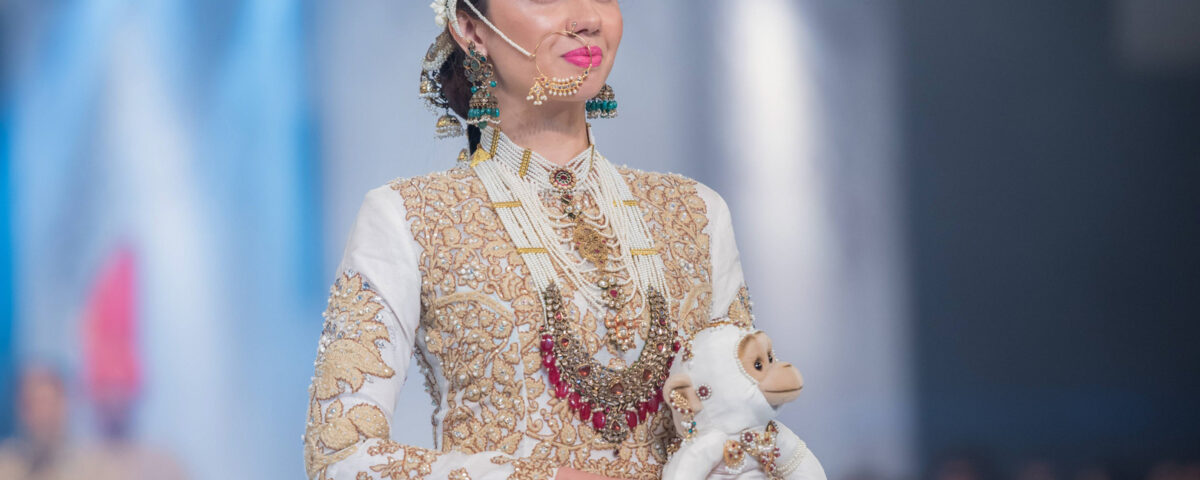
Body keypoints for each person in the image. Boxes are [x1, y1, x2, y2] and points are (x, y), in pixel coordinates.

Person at [302, 1, 767, 478]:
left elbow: (747, 423)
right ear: (470, 28)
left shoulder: (695, 212)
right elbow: (338, 454)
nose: (588, 18)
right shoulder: (408, 217)